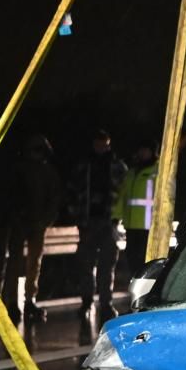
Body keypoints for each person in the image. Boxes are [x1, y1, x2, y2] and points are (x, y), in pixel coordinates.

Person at [0, 133, 64, 320]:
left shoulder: (47, 172)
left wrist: (45, 220)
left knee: (31, 264)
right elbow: (12, 197)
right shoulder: (21, 170)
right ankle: (13, 301)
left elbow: (54, 198)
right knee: (17, 264)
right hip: (22, 223)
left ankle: (26, 300)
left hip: (35, 223)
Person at [70, 128, 124, 328]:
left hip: (108, 221)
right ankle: (87, 301)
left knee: (106, 265)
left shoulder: (117, 166)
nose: (101, 148)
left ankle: (105, 302)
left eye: (104, 145)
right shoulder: (85, 166)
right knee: (86, 264)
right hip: (88, 221)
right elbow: (74, 191)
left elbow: (122, 191)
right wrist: (78, 216)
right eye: (99, 144)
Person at [113, 143, 158, 285]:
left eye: (146, 150)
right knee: (131, 258)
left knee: (145, 261)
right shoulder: (131, 172)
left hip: (149, 225)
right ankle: (137, 287)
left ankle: (146, 288)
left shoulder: (157, 171)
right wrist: (116, 216)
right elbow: (123, 197)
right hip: (131, 224)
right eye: (141, 149)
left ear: (152, 152)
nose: (143, 153)